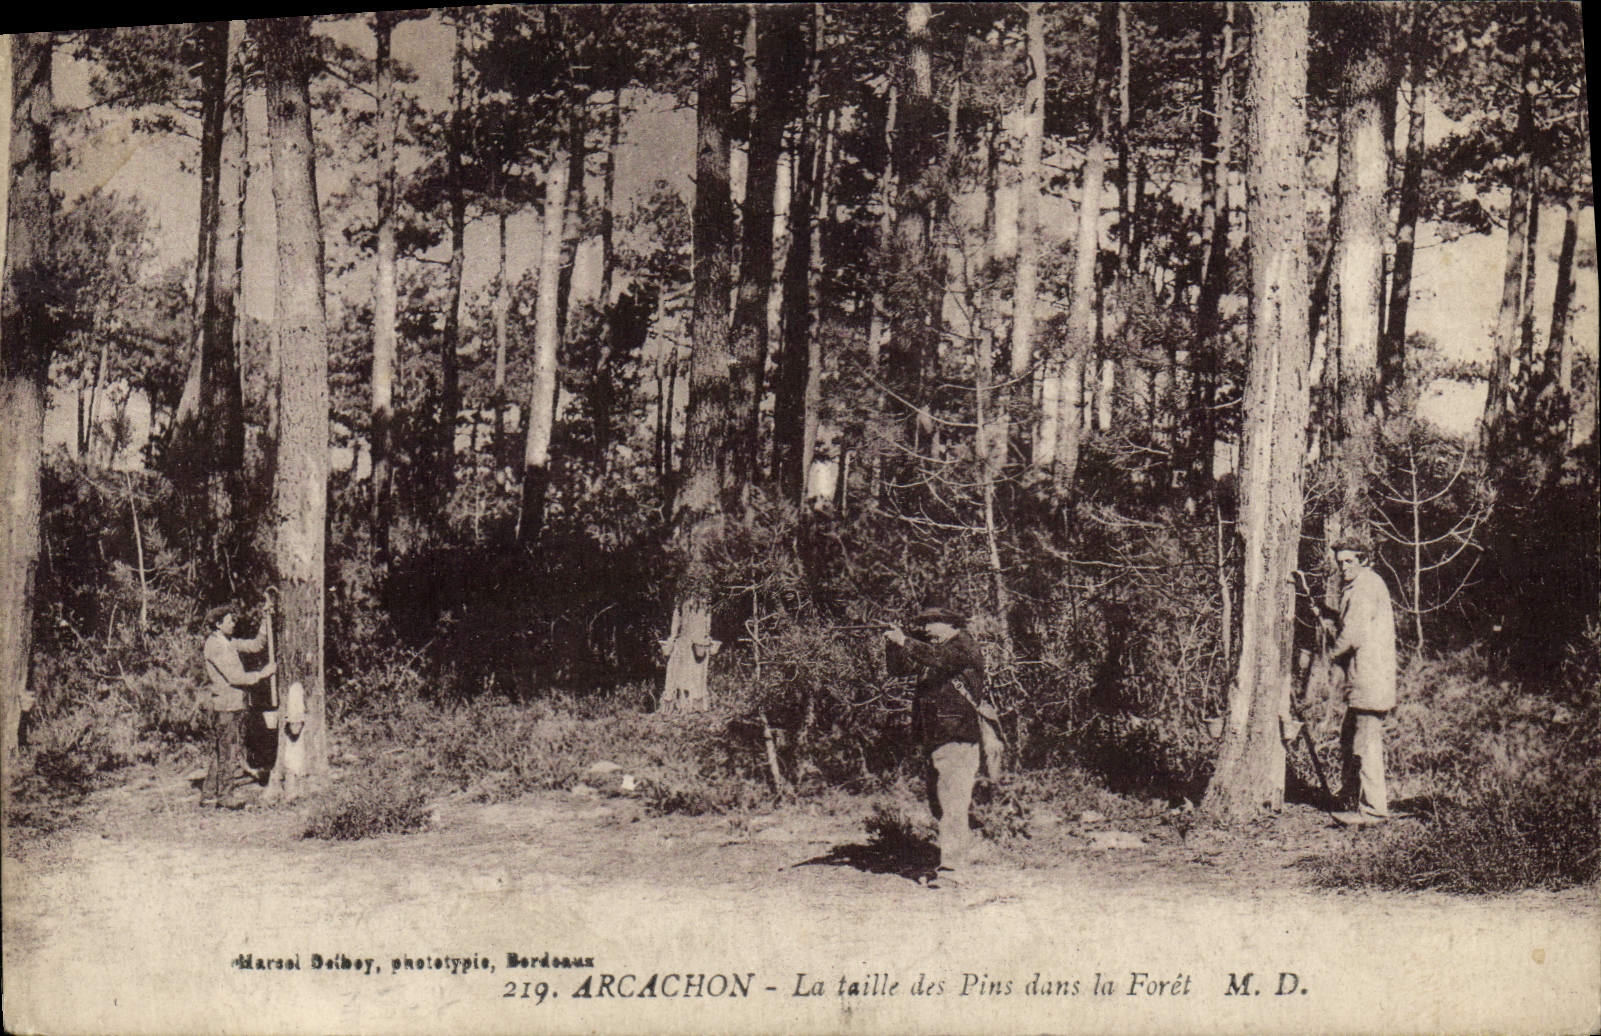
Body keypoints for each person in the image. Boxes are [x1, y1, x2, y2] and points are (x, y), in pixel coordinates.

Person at [885, 598, 986, 888]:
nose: (926, 629)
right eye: (924, 624)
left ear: (952, 625)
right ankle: (954, 859)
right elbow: (898, 670)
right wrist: (894, 644)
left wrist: (906, 640)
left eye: (932, 623)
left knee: (952, 804)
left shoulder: (963, 646)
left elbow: (936, 659)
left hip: (956, 736)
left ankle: (954, 872)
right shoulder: (937, 649)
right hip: (936, 736)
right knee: (941, 804)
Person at [1322, 541, 1397, 820]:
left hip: (1371, 678)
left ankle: (1374, 810)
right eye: (1340, 563)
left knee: (1367, 744)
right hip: (1365, 679)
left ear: (1364, 560)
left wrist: (1330, 654)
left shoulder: (1366, 586)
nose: (1344, 568)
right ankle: (1351, 798)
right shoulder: (1362, 585)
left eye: (1349, 561)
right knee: (1349, 738)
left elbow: (1353, 633)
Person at [201, 600, 275, 809]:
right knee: (228, 752)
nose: (233, 623)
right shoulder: (215, 645)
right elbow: (235, 677)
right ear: (218, 624)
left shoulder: (227, 641)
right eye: (229, 620)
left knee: (221, 751)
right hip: (225, 707)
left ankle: (208, 795)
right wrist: (263, 674)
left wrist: (265, 619)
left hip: (231, 705)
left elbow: (255, 645)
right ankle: (225, 796)